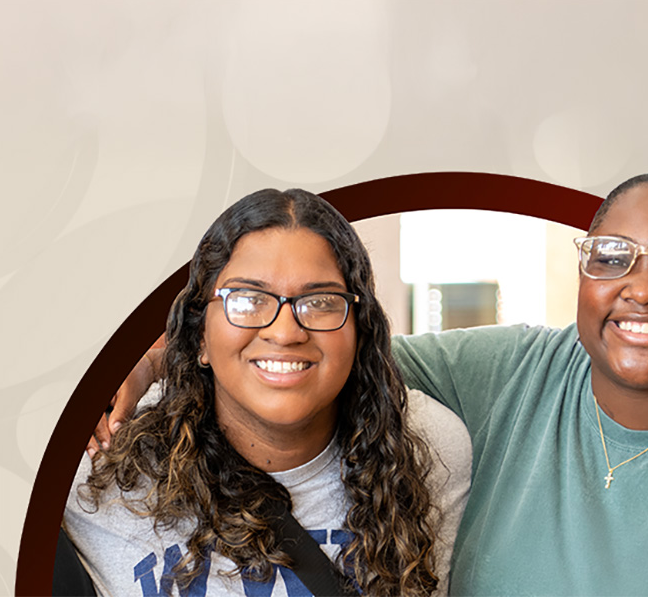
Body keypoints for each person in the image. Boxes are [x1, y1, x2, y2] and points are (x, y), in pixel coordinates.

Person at [101, 173, 648, 595]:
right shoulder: (508, 376)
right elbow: (307, 351)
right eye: (612, 256)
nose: (642, 290)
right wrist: (143, 361)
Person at [63, 189, 472, 596]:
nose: (285, 331)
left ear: (360, 328)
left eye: (320, 301)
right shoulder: (103, 460)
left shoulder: (427, 449)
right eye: (247, 299)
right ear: (199, 333)